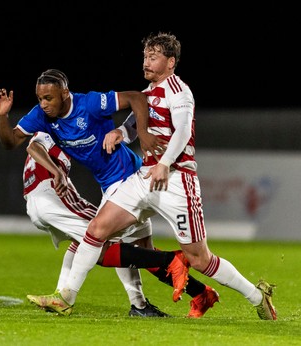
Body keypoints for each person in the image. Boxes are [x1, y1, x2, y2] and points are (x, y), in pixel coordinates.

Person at [35, 32, 277, 320]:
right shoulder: (148, 93)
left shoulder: (180, 92)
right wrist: (119, 133)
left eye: (153, 57)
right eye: (145, 57)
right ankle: (66, 297)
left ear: (170, 61)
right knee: (96, 230)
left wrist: (164, 163)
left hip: (176, 180)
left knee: (200, 258)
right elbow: (133, 124)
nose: (146, 62)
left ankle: (256, 296)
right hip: (144, 178)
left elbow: (184, 132)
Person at [0, 69, 195, 316]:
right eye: (39, 98)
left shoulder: (89, 103)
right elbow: (14, 142)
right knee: (109, 242)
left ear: (65, 93)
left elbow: (136, 98)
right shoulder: (43, 118)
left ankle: (173, 279)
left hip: (130, 177)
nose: (43, 104)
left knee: (101, 240)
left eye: (49, 98)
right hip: (110, 185)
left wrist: (140, 133)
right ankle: (164, 291)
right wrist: (3, 117)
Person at [23, 131, 219, 318]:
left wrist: (127, 129)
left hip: (127, 189)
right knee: (134, 249)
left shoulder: (85, 119)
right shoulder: (70, 128)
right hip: (130, 184)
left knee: (98, 243)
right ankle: (194, 293)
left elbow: (132, 100)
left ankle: (167, 267)